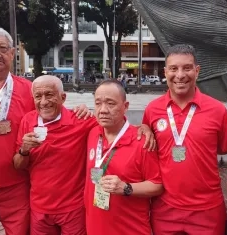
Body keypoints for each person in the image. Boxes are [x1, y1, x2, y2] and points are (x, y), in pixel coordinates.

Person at [0, 27, 90, 235]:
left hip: (18, 185)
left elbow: (51, 111)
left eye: (3, 48)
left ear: (12, 53)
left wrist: (81, 110)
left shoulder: (27, 89)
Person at [13, 76, 155, 234]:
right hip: (39, 209)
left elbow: (115, 124)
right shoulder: (27, 121)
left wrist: (144, 127)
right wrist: (23, 150)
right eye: (38, 97)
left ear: (63, 97)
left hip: (74, 209)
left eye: (49, 94)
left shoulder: (82, 121)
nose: (44, 102)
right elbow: (18, 165)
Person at [142, 44, 227, 235]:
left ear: (197, 71)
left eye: (187, 68)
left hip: (207, 210)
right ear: (165, 72)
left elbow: (224, 148)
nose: (180, 75)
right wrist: (142, 127)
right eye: (174, 69)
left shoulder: (218, 111)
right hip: (165, 208)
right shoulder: (152, 110)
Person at [85, 79, 163, 235]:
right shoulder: (93, 133)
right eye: (98, 103)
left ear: (125, 107)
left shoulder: (142, 142)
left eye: (110, 104)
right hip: (95, 227)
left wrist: (126, 188)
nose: (103, 110)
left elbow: (158, 185)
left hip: (129, 229)